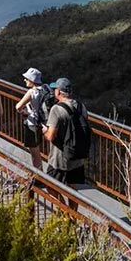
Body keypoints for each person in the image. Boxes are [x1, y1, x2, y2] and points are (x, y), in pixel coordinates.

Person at [44, 77, 89, 212]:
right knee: (72, 189)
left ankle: (65, 213)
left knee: (50, 185)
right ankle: (73, 215)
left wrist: (44, 130)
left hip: (59, 158)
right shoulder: (81, 106)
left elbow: (50, 136)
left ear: (58, 92)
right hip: (78, 156)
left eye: (55, 89)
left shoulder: (56, 109)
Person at [15, 67, 51, 169]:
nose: (25, 80)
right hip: (47, 123)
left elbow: (18, 107)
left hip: (33, 123)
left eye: (26, 78)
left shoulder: (32, 92)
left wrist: (23, 112)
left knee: (35, 152)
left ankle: (38, 176)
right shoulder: (47, 88)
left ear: (32, 80)